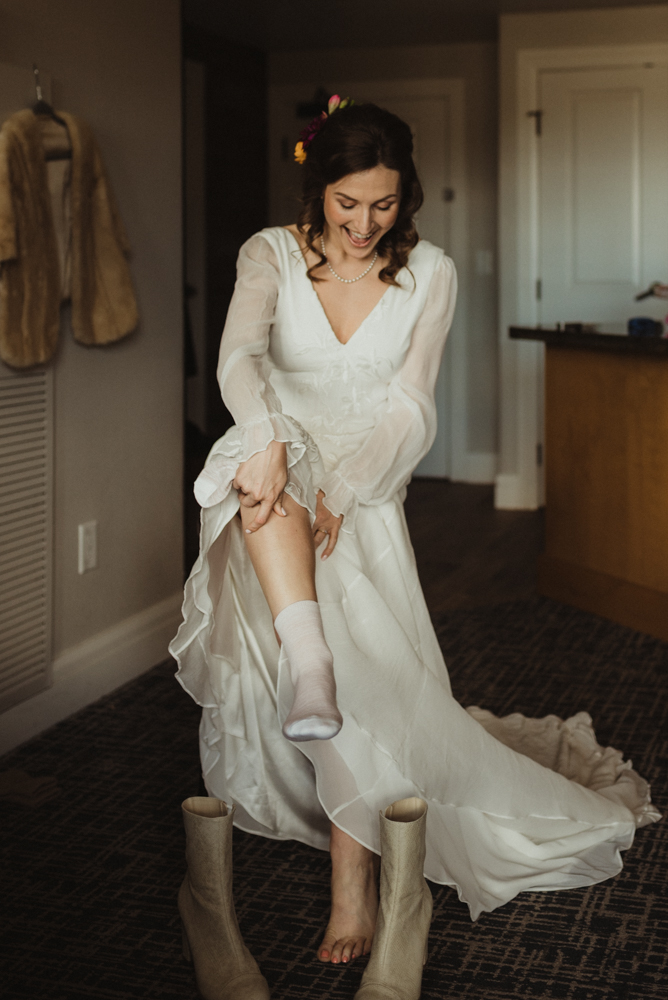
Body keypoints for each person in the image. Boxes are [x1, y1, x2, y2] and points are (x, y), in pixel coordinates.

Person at [170, 99, 659, 997]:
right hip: (272, 482)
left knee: (353, 662)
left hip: (364, 494)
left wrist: (344, 494)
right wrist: (277, 436)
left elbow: (412, 405)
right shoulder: (267, 253)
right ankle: (308, 658)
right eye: (346, 204)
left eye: (384, 207)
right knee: (251, 454)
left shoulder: (429, 273)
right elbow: (237, 358)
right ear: (316, 188)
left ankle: (355, 880)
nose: (363, 226)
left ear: (409, 199)